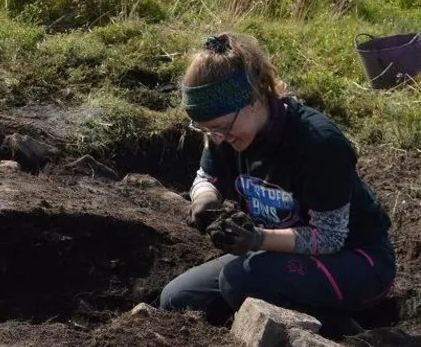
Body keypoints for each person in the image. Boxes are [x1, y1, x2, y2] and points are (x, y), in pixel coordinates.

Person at [159, 32, 394, 329]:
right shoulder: (225, 133)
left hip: (358, 261)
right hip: (279, 253)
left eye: (221, 128)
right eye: (206, 130)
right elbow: (207, 177)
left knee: (239, 283)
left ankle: (347, 331)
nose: (217, 138)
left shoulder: (318, 143)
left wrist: (258, 239)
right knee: (178, 298)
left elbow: (330, 236)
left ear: (255, 99)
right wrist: (204, 198)